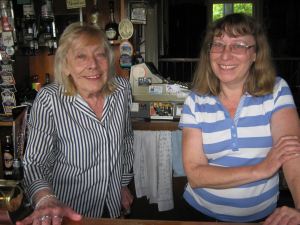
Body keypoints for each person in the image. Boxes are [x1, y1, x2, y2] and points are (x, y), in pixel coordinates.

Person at [179, 13, 300, 224]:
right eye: (218, 44)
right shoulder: (195, 101)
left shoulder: (276, 91)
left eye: (239, 45)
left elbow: (292, 155)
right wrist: (259, 170)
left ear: (255, 54)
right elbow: (196, 176)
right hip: (201, 214)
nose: (225, 55)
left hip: (263, 218)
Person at [16, 22, 134, 225]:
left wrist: (122, 184)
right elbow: (35, 163)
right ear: (66, 65)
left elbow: (126, 140)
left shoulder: (121, 90)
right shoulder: (49, 100)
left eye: (100, 55)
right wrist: (45, 199)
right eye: (81, 56)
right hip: (67, 212)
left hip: (111, 207)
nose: (93, 65)